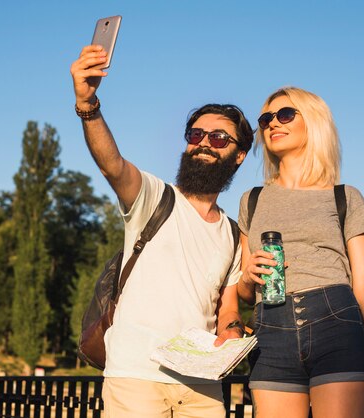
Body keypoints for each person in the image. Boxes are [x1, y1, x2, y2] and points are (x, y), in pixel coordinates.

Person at [70, 44, 254, 418]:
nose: (203, 142)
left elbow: (228, 307)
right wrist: (88, 105)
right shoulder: (155, 198)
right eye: (196, 134)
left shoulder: (235, 235)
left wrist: (233, 332)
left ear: (238, 155)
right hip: (135, 378)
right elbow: (113, 165)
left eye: (219, 138)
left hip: (202, 386)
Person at [237, 86, 364, 418]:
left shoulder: (345, 197)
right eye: (266, 118)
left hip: (336, 325)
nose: (272, 124)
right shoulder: (251, 200)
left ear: (313, 123)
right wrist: (248, 275)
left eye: (284, 115)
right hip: (270, 329)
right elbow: (243, 291)